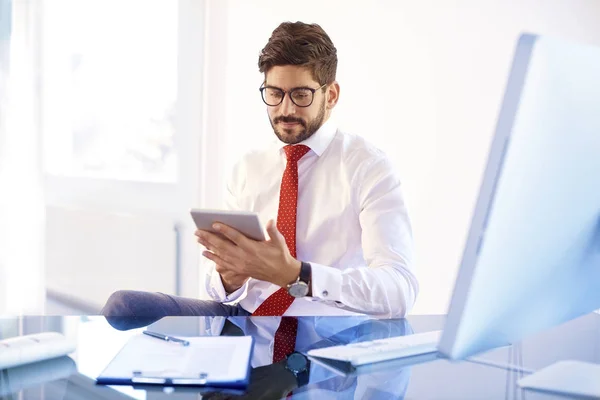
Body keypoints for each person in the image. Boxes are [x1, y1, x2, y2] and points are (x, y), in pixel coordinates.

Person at [102, 21, 418, 362]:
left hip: (329, 343)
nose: (285, 109)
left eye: (301, 94)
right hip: (247, 333)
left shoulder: (368, 167)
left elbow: (400, 289)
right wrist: (229, 276)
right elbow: (222, 291)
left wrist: (298, 276)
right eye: (274, 93)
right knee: (125, 309)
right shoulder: (248, 168)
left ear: (332, 95)